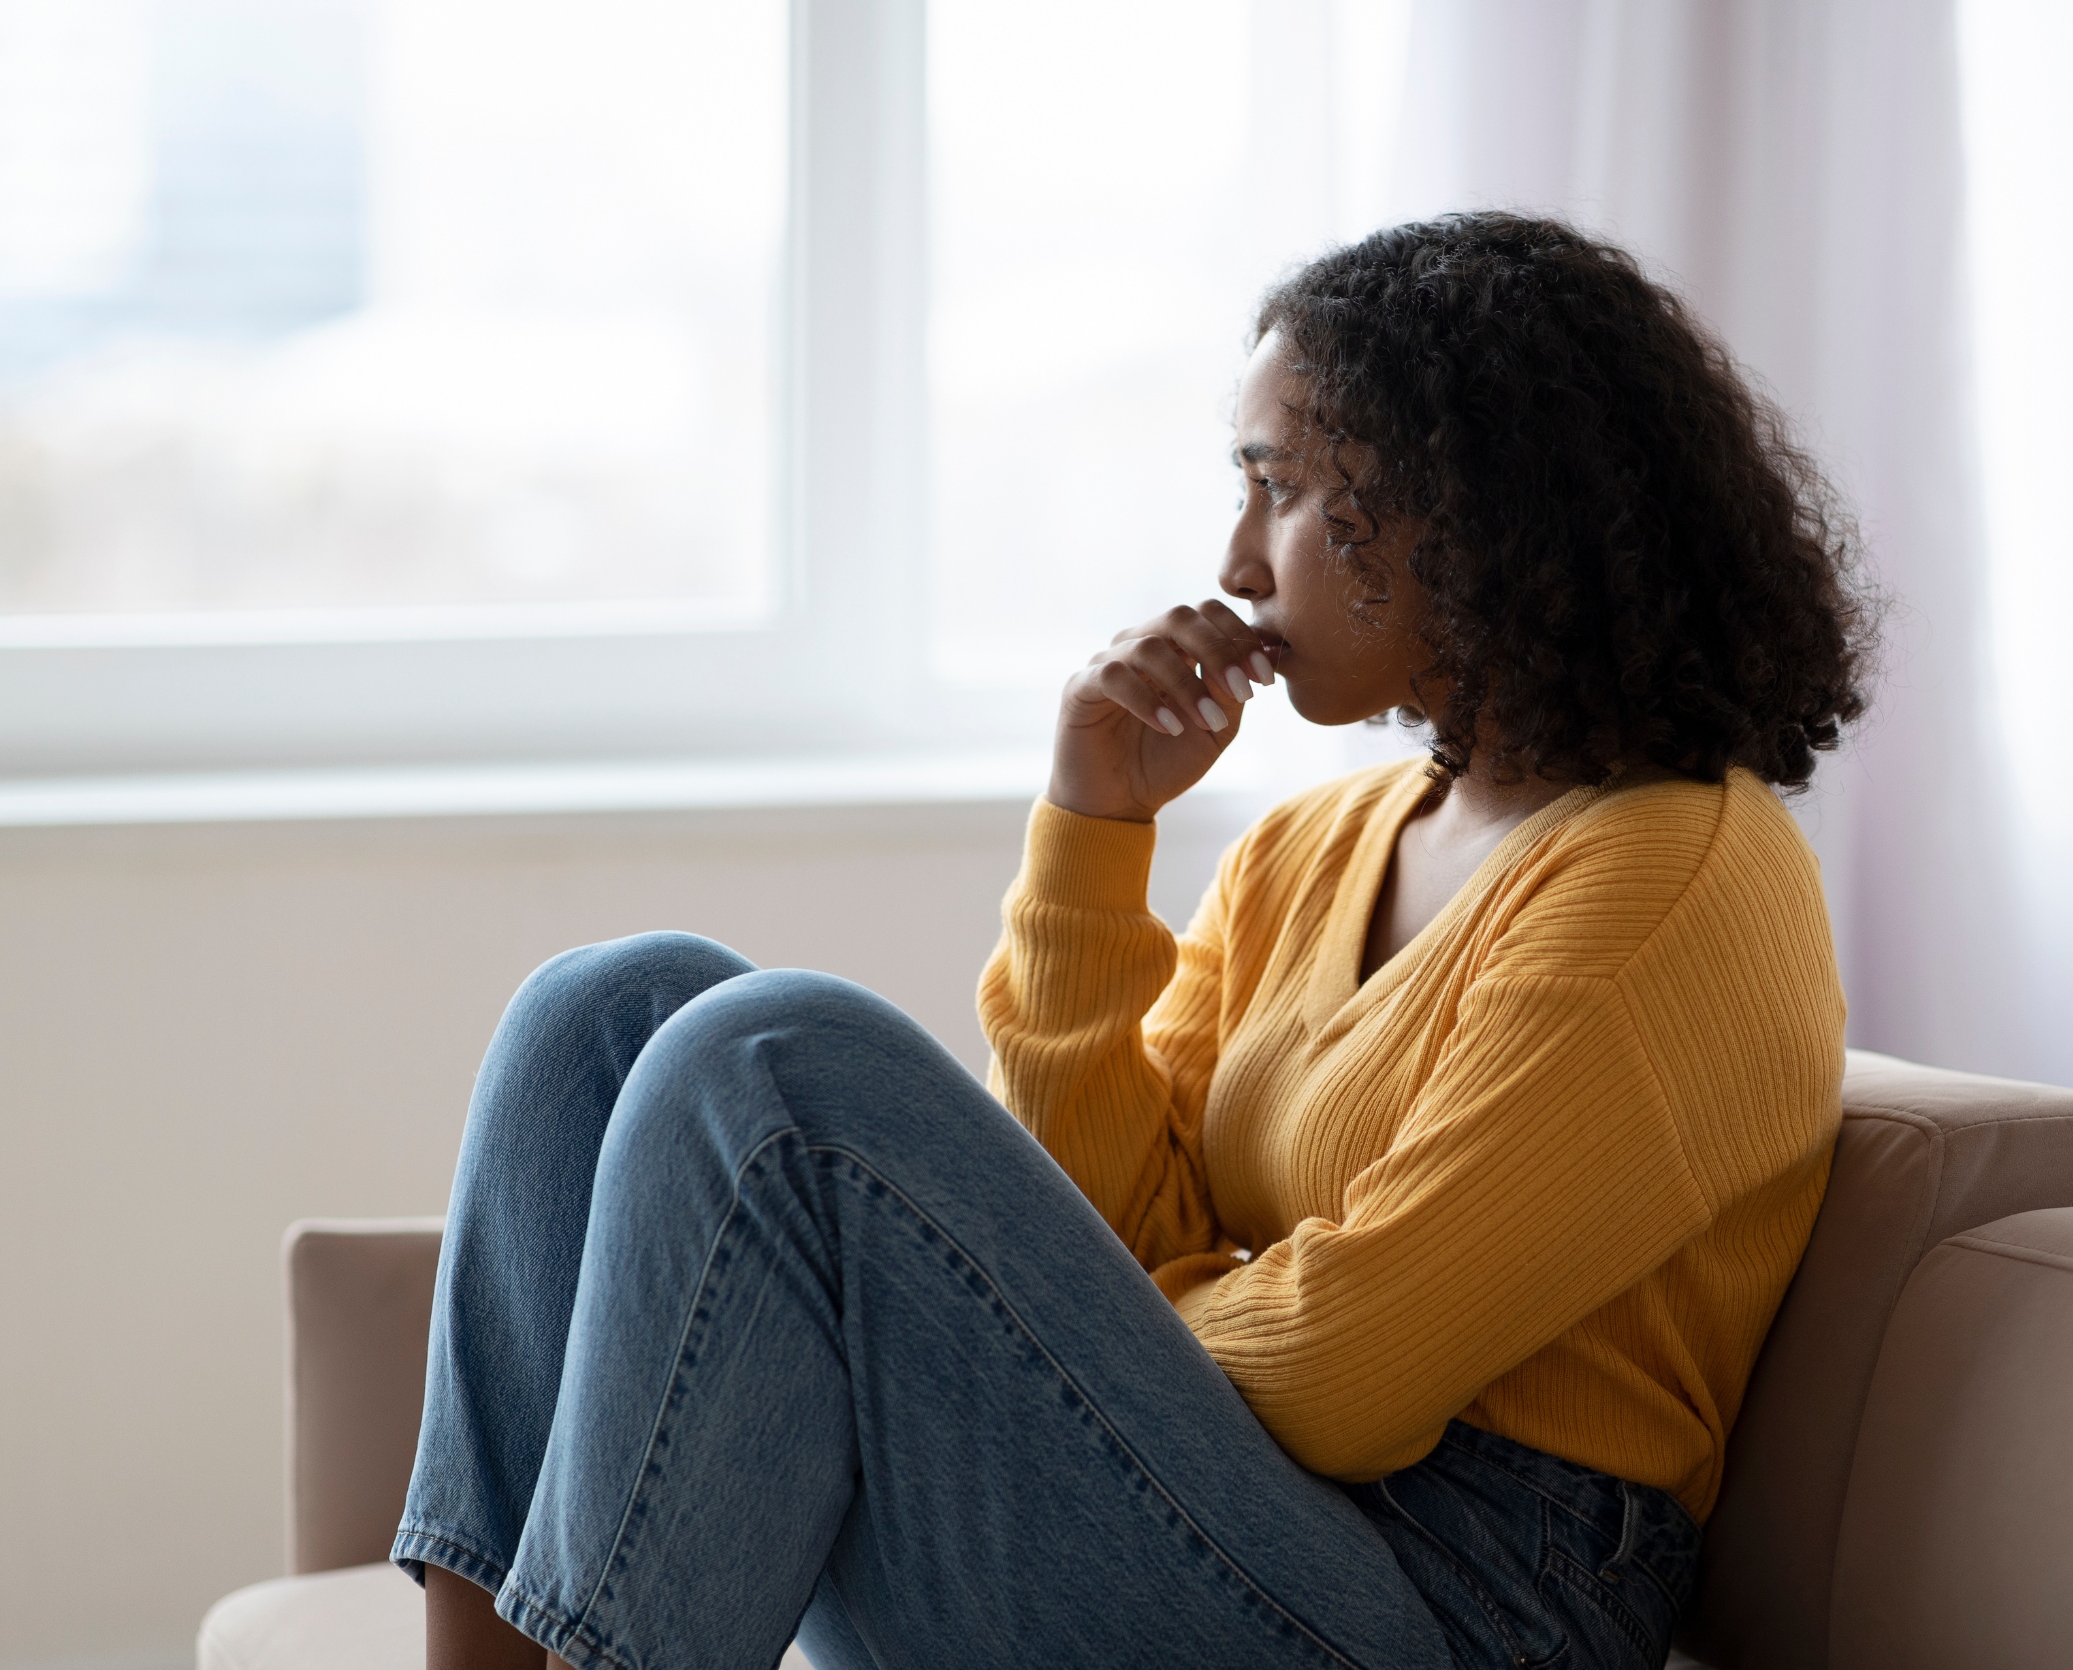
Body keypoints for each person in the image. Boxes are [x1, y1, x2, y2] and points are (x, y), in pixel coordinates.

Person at [397, 212, 1870, 1670]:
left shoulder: (1679, 882)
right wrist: (1093, 834)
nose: (1236, 560)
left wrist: (1063, 1327)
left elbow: (1349, 1382)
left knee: (774, 1063)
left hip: (1461, 1605)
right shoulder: (1320, 842)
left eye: (1279, 486)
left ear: (1469, 515)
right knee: (610, 1007)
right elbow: (1117, 1221)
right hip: (1240, 1517)